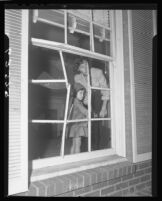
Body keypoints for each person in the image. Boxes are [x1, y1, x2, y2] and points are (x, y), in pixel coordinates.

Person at [74, 58, 110, 150]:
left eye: (86, 64)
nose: (85, 67)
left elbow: (105, 90)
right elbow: (79, 93)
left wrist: (103, 107)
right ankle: (85, 149)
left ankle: (96, 149)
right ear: (78, 69)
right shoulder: (77, 78)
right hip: (85, 101)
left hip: (97, 99)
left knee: (95, 124)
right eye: (82, 66)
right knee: (84, 125)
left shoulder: (97, 72)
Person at [69, 82, 88, 154]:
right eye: (80, 93)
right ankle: (77, 159)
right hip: (78, 126)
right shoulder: (77, 102)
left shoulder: (74, 101)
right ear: (75, 93)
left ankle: (71, 158)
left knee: (74, 144)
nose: (82, 95)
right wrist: (89, 113)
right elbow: (84, 111)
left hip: (74, 125)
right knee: (78, 145)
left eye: (83, 93)